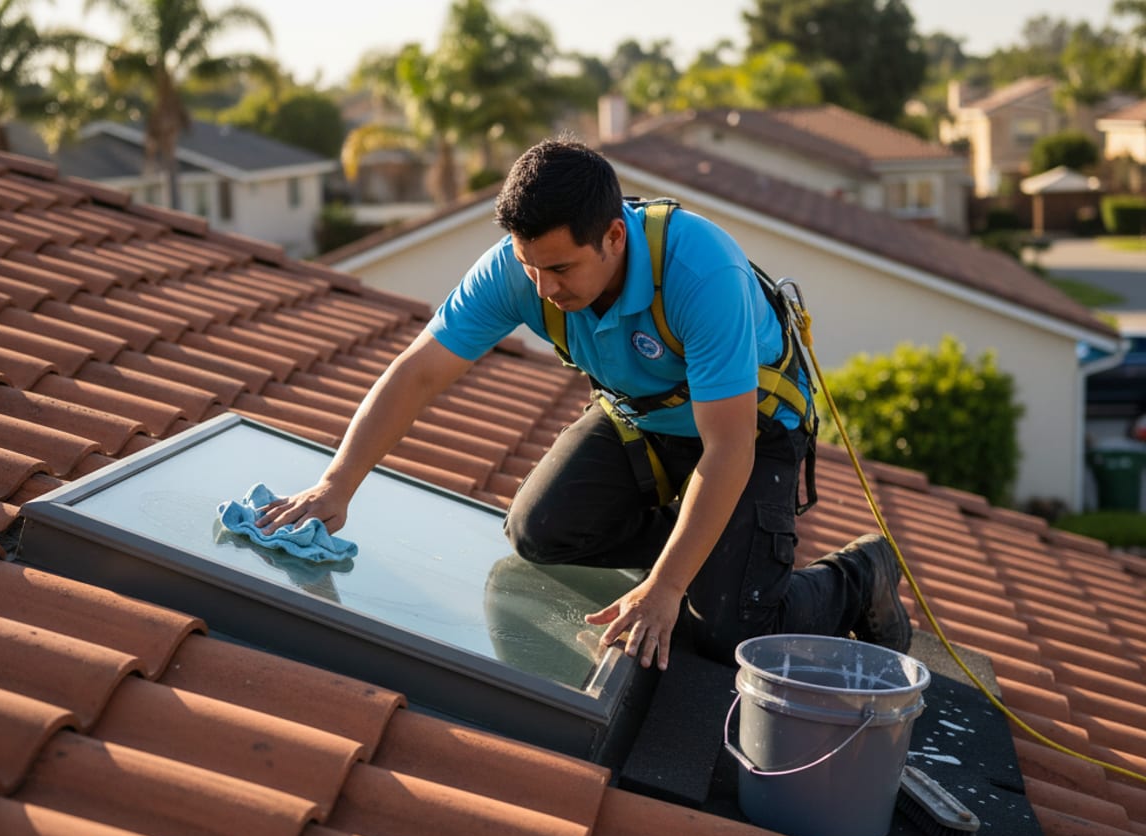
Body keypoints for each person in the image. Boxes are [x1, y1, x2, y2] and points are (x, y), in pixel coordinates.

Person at [257, 137, 911, 670]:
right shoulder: (520, 271)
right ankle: (715, 553)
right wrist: (336, 483)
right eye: (530, 265)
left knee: (730, 628)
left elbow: (729, 446)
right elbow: (419, 373)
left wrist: (664, 589)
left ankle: (858, 575)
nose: (543, 288)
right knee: (537, 533)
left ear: (614, 238)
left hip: (751, 431)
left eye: (562, 269)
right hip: (642, 420)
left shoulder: (701, 273)